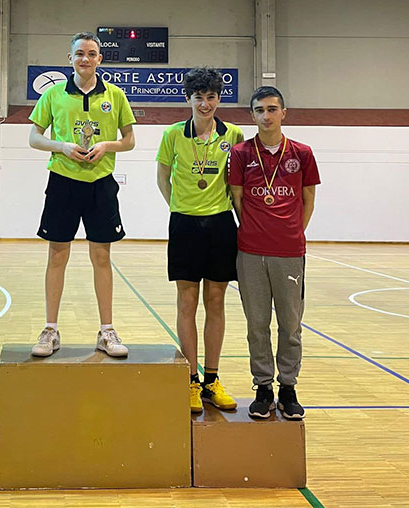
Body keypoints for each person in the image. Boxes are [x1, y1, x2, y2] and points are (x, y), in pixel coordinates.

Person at [28, 31, 136, 358]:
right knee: (57, 254)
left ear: (99, 59)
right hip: (62, 181)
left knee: (101, 256)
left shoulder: (115, 96)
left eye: (91, 53)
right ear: (70, 59)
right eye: (79, 54)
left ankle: (106, 331)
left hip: (101, 183)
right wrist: (60, 146)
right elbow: (34, 137)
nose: (85, 59)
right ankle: (50, 330)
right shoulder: (53, 95)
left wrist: (107, 145)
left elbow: (129, 140)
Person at [229, 86, 320, 420]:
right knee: (257, 324)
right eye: (259, 110)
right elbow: (237, 198)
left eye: (272, 109)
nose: (266, 116)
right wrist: (255, 228)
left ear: (283, 112)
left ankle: (289, 387)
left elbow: (308, 199)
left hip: (289, 252)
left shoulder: (303, 153)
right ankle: (264, 387)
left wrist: (294, 232)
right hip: (251, 251)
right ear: (251, 115)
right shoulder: (240, 153)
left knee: (290, 325)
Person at [156, 67, 244, 413]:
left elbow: (237, 183)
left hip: (221, 225)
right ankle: (191, 379)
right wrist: (178, 207)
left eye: (211, 97)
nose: (205, 104)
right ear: (188, 99)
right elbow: (163, 177)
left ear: (218, 99)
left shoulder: (234, 135)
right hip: (185, 226)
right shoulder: (174, 134)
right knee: (186, 303)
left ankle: (212, 379)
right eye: (198, 97)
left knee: (217, 302)